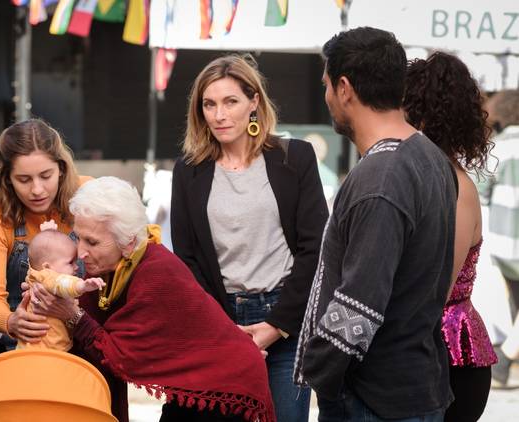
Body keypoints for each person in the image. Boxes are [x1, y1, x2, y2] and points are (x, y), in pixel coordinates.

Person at [294, 27, 457, 421]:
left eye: (327, 85)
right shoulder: (427, 155)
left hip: (374, 399)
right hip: (410, 385)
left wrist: (319, 372)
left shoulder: (381, 178)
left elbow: (359, 307)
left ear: (345, 88)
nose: (328, 96)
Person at [25, 176, 274, 422]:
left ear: (128, 242)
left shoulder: (157, 271)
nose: (80, 252)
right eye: (78, 237)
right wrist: (41, 294)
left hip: (226, 385)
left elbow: (121, 358)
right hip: (193, 388)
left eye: (92, 241)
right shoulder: (105, 267)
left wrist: (72, 315)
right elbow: (81, 322)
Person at [169, 54, 328, 421]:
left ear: (254, 101)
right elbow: (187, 259)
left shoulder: (294, 157)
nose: (219, 115)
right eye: (209, 104)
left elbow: (315, 249)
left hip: (285, 320)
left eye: (230, 102)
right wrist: (224, 328)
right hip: (220, 319)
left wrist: (276, 326)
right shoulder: (189, 171)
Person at [403, 51, 496, 422]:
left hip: (451, 355)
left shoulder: (456, 186)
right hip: (430, 351)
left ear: (420, 117)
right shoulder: (429, 178)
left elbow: (435, 284)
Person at [0, 119, 86, 349]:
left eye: (46, 176)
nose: (37, 190)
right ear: (7, 178)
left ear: (61, 169)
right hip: (26, 345)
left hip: (88, 338)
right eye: (24, 180)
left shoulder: (87, 197)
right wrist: (10, 321)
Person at [482, 89, 519, 387]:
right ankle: (504, 360)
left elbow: (482, 194)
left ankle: (502, 359)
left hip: (499, 241)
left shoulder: (497, 148)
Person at [21, 229, 105, 351]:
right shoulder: (47, 276)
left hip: (39, 346)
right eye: (71, 263)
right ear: (47, 267)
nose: (76, 267)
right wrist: (82, 285)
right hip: (48, 348)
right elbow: (62, 284)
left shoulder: (36, 274)